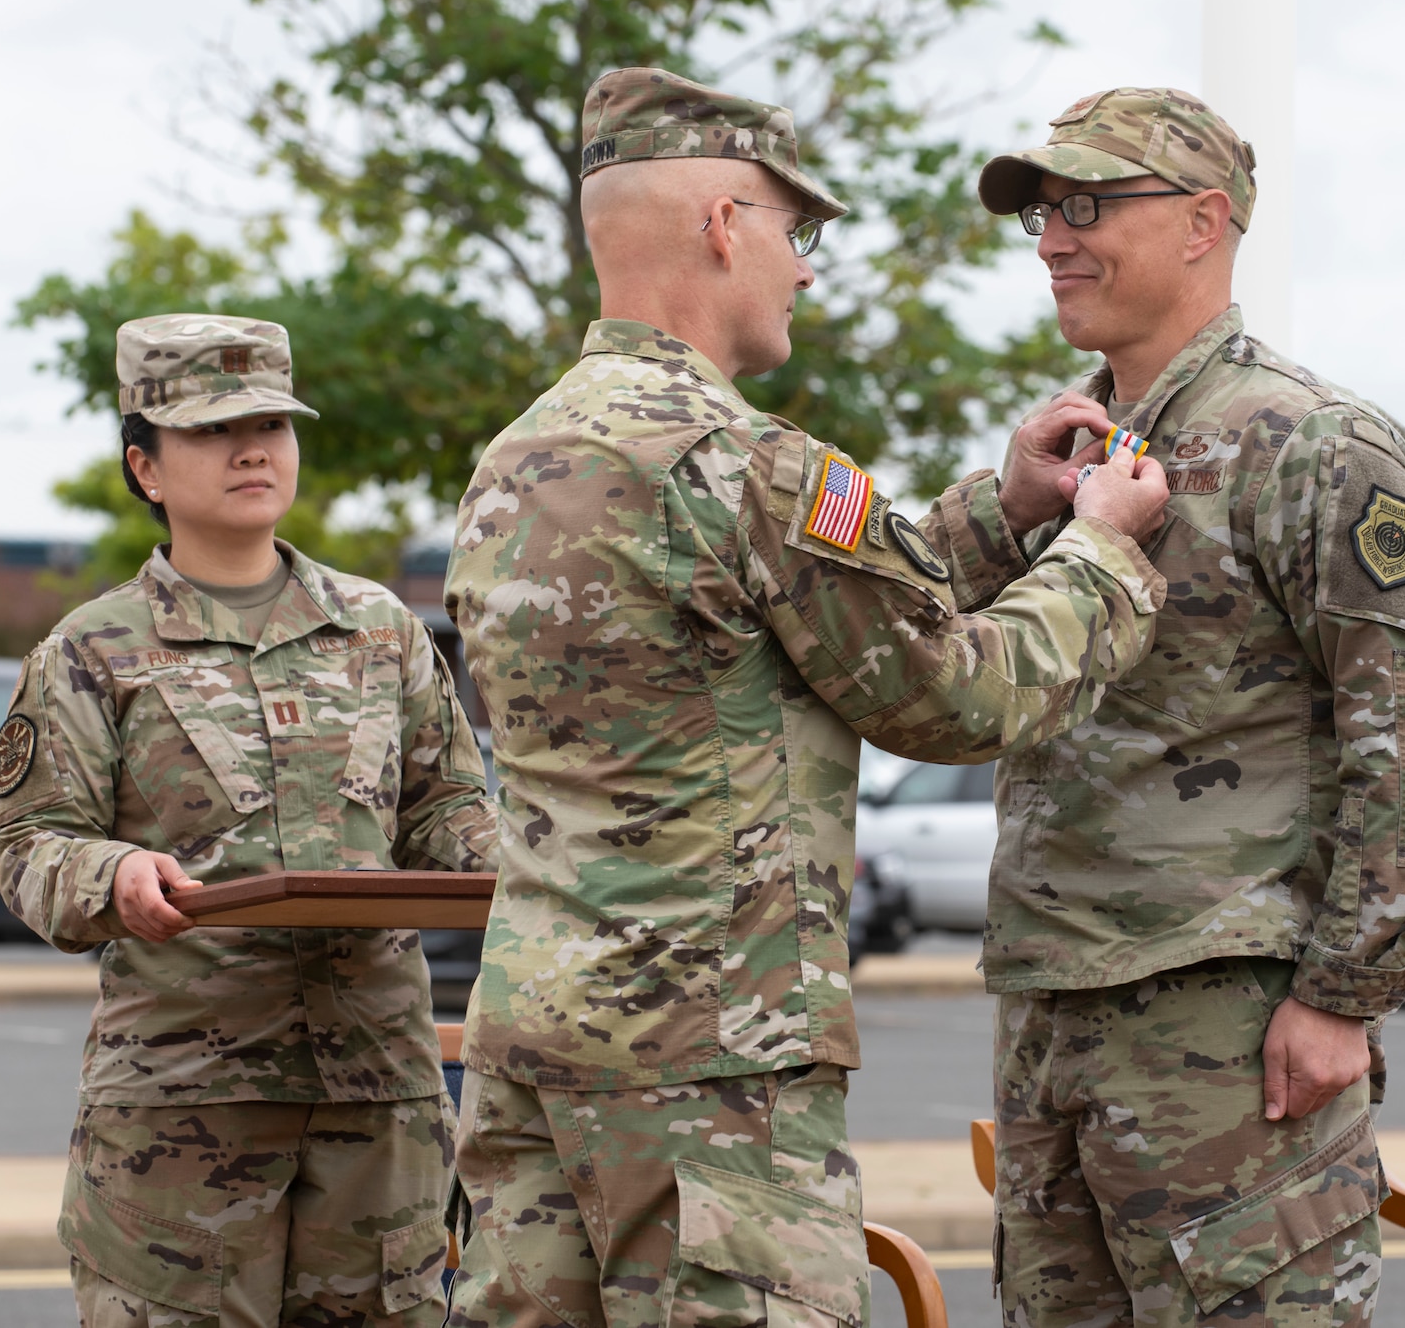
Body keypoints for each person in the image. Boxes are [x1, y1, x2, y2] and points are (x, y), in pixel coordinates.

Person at [440, 67, 1175, 1328]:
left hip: (531, 1048)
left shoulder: (517, 460)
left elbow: (796, 627)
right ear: (724, 225)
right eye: (799, 231)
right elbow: (947, 696)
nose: (806, 269)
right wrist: (1101, 550)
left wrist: (996, 512)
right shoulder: (749, 467)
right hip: (709, 1065)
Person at [939, 88, 1405, 1325]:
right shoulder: (1074, 456)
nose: (1049, 239)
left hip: (1227, 1021)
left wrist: (1340, 994)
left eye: (1085, 204)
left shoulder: (1312, 445)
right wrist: (1007, 506)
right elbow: (919, 642)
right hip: (1053, 1003)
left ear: (1203, 222)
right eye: (1040, 211)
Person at [0, 313, 496, 1328]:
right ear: (146, 466)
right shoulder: (93, 651)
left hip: (374, 1099)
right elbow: (27, 840)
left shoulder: (382, 633)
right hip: (183, 1105)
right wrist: (113, 876)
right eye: (214, 430)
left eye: (271, 422)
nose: (253, 448)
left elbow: (447, 811)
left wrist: (521, 867)